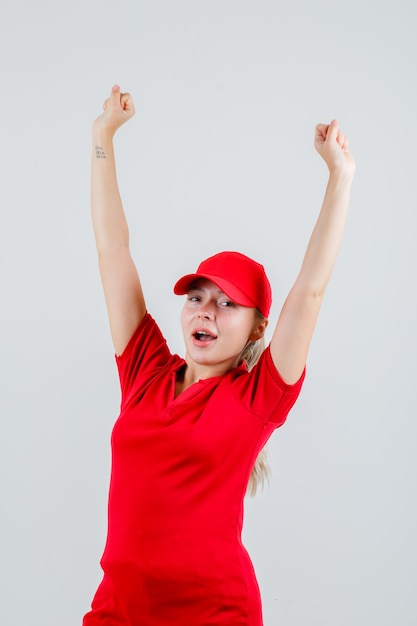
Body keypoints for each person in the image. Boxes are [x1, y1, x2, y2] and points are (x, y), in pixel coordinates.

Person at [83, 85, 356, 626]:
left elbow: (311, 290)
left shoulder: (255, 398)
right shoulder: (144, 371)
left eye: (227, 303)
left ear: (257, 326)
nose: (205, 310)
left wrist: (339, 177)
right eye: (197, 297)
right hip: (119, 610)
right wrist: (102, 138)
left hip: (212, 614)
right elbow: (113, 249)